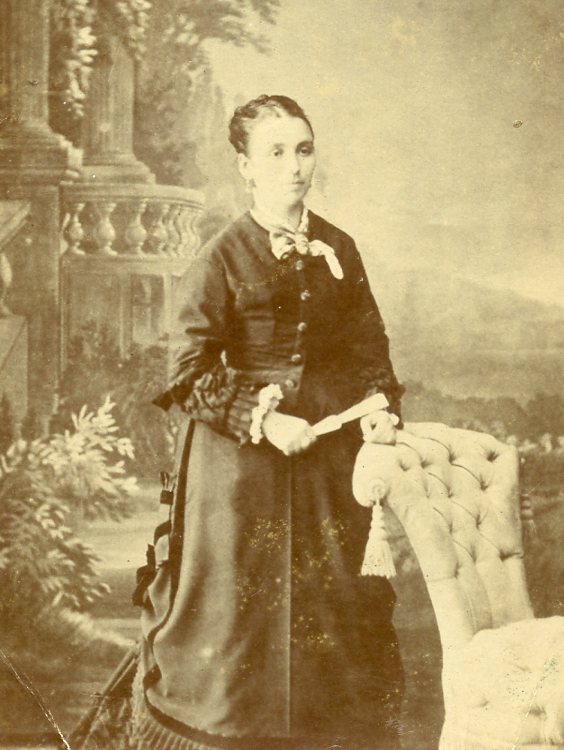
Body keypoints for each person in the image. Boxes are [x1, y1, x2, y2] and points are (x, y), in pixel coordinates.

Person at [75, 94, 406, 750]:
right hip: (239, 465)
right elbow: (187, 372)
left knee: (330, 611)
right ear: (245, 167)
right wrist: (267, 419)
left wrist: (379, 411)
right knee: (238, 619)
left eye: (303, 149)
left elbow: (370, 349)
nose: (294, 166)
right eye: (276, 152)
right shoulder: (221, 255)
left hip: (327, 462)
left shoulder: (340, 247)